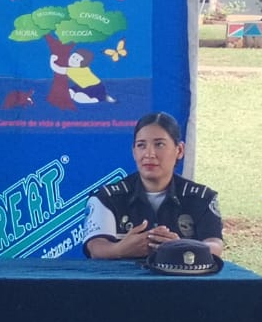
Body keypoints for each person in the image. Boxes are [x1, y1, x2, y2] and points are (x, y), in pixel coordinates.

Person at [82, 111, 224, 261]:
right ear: (134, 152)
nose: (149, 154)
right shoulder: (107, 198)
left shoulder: (202, 198)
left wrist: (182, 248)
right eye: (141, 145)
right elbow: (95, 248)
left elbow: (215, 245)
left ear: (179, 150)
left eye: (159, 144)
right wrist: (120, 249)